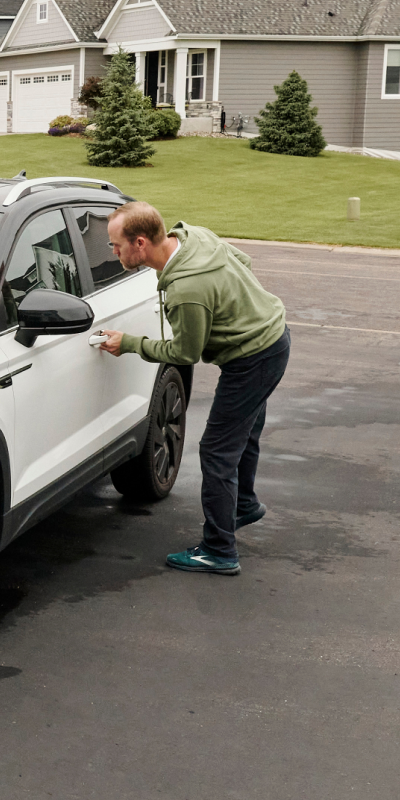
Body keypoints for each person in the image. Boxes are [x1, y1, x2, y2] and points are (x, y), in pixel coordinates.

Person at [96, 201, 289, 575]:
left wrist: (130, 344)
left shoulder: (187, 289)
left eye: (115, 245)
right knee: (241, 436)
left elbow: (186, 353)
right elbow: (243, 262)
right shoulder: (192, 235)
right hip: (272, 338)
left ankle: (219, 550)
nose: (112, 252)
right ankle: (243, 505)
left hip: (253, 359)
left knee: (217, 451)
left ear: (139, 243)